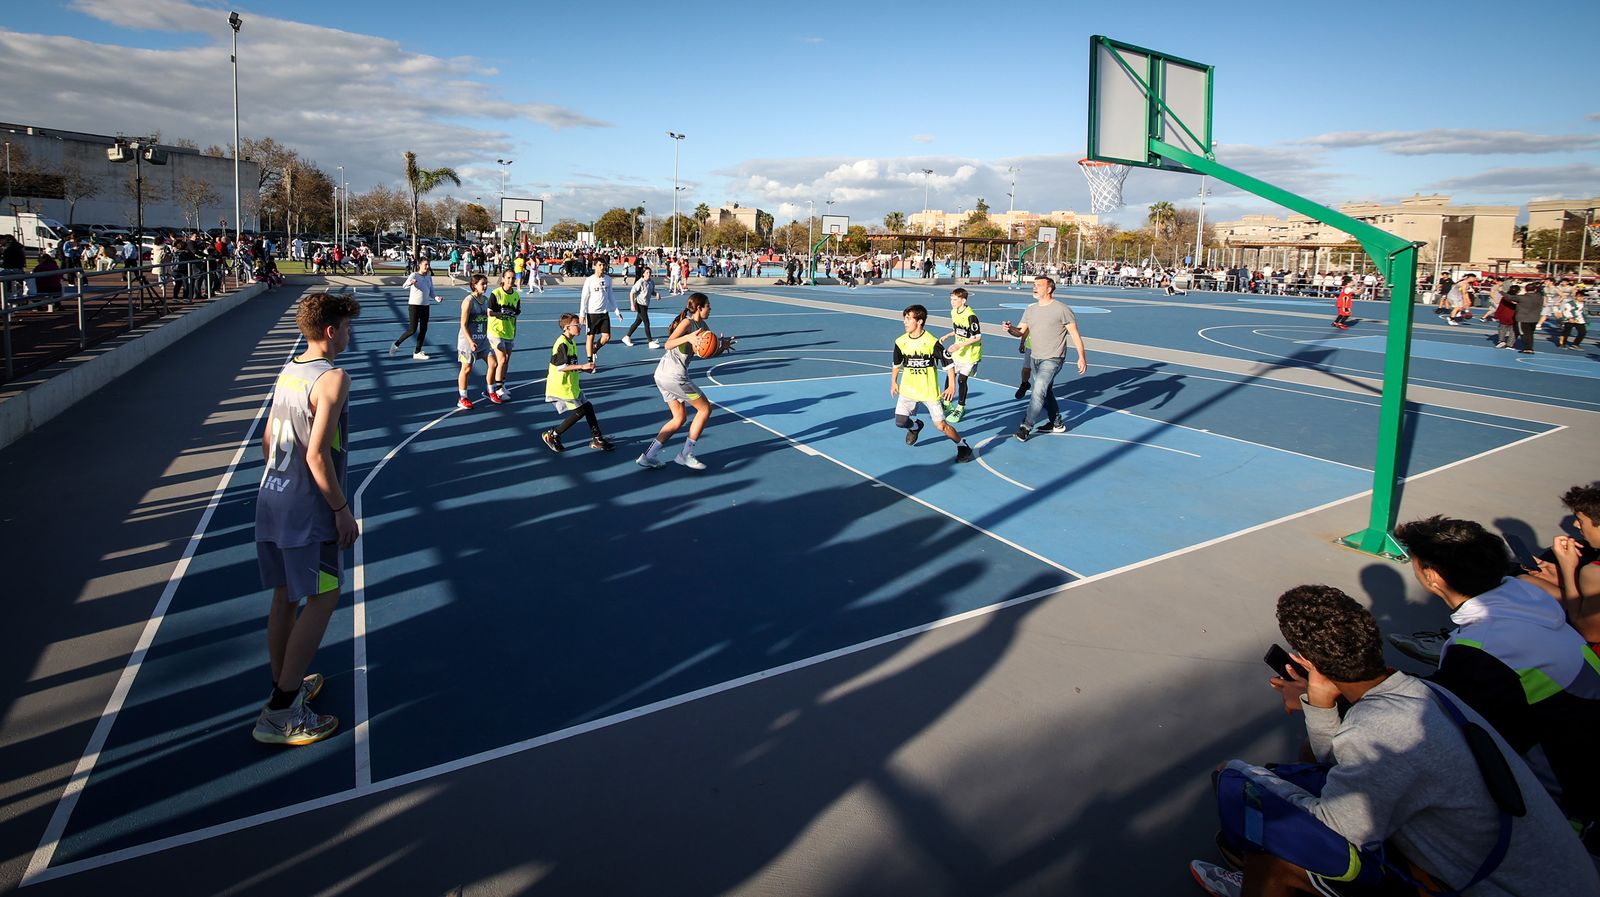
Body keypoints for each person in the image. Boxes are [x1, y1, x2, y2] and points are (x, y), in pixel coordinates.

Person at [1192, 584, 1600, 897]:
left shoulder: (1375, 731)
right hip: (1555, 873)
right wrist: (1319, 704)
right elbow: (1339, 766)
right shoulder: (1426, 694)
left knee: (1265, 825)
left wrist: (1259, 783)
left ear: (1308, 663)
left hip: (1503, 889)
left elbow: (1334, 829)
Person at [1393, 515, 1600, 852]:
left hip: (1568, 807)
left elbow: (1454, 736)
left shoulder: (1482, 649)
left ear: (1431, 577)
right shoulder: (1526, 594)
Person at [252, 291, 362, 745]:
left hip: (272, 496)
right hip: (307, 506)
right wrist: (341, 510)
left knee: (285, 597)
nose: (350, 333)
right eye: (347, 326)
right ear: (332, 331)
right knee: (324, 596)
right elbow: (316, 454)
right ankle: (281, 713)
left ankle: (286, 683)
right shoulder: (333, 378)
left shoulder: (290, 370)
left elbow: (266, 439)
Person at [636, 292, 728, 471]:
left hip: (662, 376)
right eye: (708, 306)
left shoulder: (704, 326)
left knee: (679, 418)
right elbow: (668, 344)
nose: (710, 309)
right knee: (705, 408)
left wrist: (720, 349)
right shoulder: (687, 323)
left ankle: (648, 456)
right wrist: (688, 337)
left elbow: (702, 352)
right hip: (674, 377)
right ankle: (686, 454)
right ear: (699, 308)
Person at [1002, 276, 1087, 442]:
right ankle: (1056, 423)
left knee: (1038, 390)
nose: (1035, 288)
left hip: (1053, 358)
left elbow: (1075, 334)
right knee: (1045, 391)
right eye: (1034, 285)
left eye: (1039, 285)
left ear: (1049, 289)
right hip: (1035, 356)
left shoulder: (1062, 309)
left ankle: (1026, 426)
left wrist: (1081, 357)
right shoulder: (1030, 309)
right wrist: (1009, 328)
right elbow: (1020, 331)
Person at [892, 304, 974, 463]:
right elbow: (896, 364)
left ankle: (962, 445)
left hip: (928, 391)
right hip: (908, 389)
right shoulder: (900, 341)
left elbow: (948, 363)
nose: (905, 322)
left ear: (920, 321)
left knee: (941, 426)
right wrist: (894, 382)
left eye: (909, 319)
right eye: (905, 318)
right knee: (900, 422)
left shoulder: (931, 342)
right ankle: (915, 427)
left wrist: (952, 385)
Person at [541, 313, 616, 453]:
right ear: (567, 327)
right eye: (577, 325)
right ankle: (553, 435)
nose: (580, 327)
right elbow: (561, 367)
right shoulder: (562, 343)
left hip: (571, 385)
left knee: (587, 407)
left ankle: (597, 438)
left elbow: (571, 365)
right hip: (561, 386)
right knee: (581, 410)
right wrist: (582, 366)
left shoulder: (571, 342)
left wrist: (584, 369)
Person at [938, 288, 981, 424]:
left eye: (955, 299)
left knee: (962, 380)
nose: (952, 302)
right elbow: (958, 330)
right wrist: (949, 335)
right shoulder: (953, 312)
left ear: (963, 300)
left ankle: (960, 407)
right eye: (951, 299)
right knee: (950, 375)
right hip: (958, 353)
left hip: (970, 353)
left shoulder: (971, 316)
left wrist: (958, 346)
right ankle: (947, 403)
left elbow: (976, 337)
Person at [454, 274, 496, 410]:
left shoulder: (486, 300)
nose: (485, 286)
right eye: (482, 283)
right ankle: (463, 398)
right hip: (468, 341)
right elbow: (463, 324)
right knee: (466, 369)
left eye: (486, 283)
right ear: (474, 285)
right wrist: (471, 341)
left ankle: (490, 391)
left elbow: (490, 317)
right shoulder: (468, 301)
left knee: (493, 363)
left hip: (483, 340)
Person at [389, 258, 441, 359]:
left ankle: (417, 352)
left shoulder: (429, 277)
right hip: (414, 306)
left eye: (428, 264)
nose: (427, 267)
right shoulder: (414, 275)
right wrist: (410, 283)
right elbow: (404, 286)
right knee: (412, 330)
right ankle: (396, 345)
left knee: (423, 329)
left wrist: (436, 298)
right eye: (425, 264)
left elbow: (431, 292)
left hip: (425, 306)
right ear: (420, 265)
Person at [485, 269, 520, 404]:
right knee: (502, 359)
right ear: (503, 279)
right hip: (496, 331)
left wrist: (513, 319)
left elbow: (516, 313)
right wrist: (501, 314)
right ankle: (498, 388)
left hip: (509, 331)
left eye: (513, 278)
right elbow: (489, 312)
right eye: (508, 278)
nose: (511, 280)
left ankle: (502, 384)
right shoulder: (496, 294)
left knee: (507, 360)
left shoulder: (516, 296)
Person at [579, 258, 623, 364]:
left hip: (604, 313)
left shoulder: (608, 279)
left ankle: (595, 349)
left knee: (606, 337)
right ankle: (590, 362)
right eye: (599, 265)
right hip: (591, 313)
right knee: (590, 337)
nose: (602, 267)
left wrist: (617, 311)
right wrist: (582, 314)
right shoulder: (589, 280)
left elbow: (610, 296)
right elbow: (584, 297)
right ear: (595, 266)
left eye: (603, 265)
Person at [623, 265, 659, 349]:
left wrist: (656, 294)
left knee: (637, 322)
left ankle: (627, 337)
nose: (649, 274)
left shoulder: (651, 282)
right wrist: (632, 304)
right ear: (643, 274)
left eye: (650, 272)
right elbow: (632, 292)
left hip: (645, 305)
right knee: (646, 322)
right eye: (647, 273)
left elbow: (652, 292)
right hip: (639, 304)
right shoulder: (640, 282)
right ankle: (650, 342)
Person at [1514, 278, 1544, 354]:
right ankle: (1529, 347)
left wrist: (1501, 291)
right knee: (1530, 333)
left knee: (1524, 333)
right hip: (1534, 318)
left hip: (1524, 318)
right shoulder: (1539, 297)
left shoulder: (1522, 298)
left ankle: (1527, 348)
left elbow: (1510, 297)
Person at [1557, 286, 1588, 350]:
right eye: (1580, 296)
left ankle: (1575, 344)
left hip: (1579, 320)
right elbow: (1566, 311)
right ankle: (1562, 344)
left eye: (1582, 296)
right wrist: (1570, 318)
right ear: (1576, 297)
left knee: (1582, 332)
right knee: (1566, 332)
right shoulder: (1570, 304)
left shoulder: (1584, 304)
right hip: (1569, 320)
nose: (1581, 298)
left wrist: (1586, 319)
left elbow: (1583, 312)